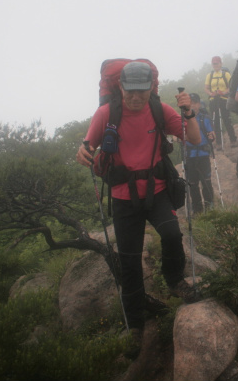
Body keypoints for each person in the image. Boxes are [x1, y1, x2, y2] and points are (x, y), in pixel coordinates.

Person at [76, 61, 201, 357]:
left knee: (172, 234)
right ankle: (135, 326)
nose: (135, 98)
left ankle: (174, 281)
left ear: (150, 89)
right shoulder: (107, 113)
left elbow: (194, 139)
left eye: (141, 92)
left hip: (157, 190)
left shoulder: (159, 110)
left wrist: (189, 113)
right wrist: (82, 153)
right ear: (120, 87)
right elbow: (86, 147)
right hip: (122, 196)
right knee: (129, 261)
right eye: (130, 91)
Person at [184, 93, 215, 214]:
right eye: (190, 103)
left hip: (203, 154)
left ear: (199, 104)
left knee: (206, 181)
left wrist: (212, 136)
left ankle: (210, 208)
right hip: (190, 156)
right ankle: (197, 210)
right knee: (193, 183)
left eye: (195, 103)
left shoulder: (204, 118)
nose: (193, 105)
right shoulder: (182, 119)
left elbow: (212, 134)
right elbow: (177, 136)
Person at [205, 56, 237, 150]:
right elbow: (206, 88)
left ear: (221, 63)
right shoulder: (209, 75)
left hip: (223, 99)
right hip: (213, 100)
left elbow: (231, 87)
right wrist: (211, 93)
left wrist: (223, 92)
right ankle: (218, 143)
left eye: (217, 63)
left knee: (226, 119)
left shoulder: (226, 74)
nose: (215, 65)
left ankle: (233, 140)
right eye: (214, 63)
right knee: (216, 122)